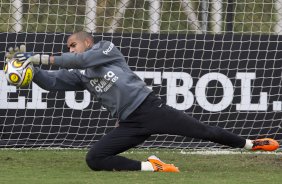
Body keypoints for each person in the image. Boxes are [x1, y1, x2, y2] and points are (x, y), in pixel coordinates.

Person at [6, 31, 279, 172]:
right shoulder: (81, 75)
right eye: (68, 48)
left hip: (150, 108)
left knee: (203, 131)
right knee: (95, 158)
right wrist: (30, 71)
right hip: (129, 123)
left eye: (72, 45)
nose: (70, 50)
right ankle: (152, 166)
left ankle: (251, 143)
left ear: (87, 42)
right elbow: (54, 83)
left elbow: (83, 59)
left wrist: (39, 58)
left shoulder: (105, 50)